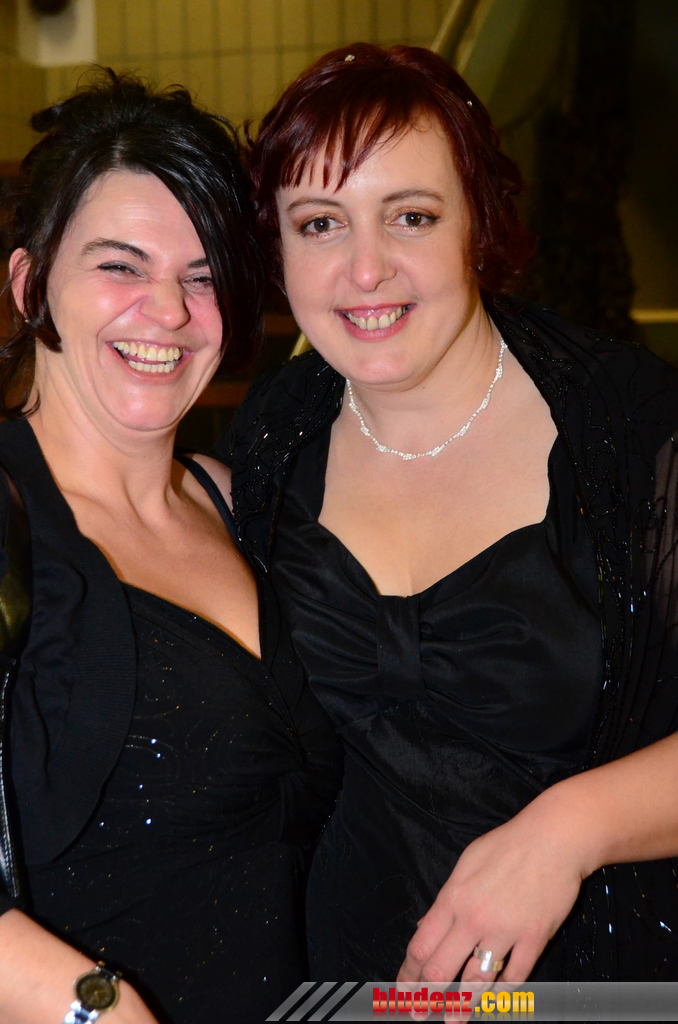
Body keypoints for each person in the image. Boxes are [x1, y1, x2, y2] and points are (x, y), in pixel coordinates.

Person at [216, 43, 678, 982]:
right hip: (349, 987)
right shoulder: (273, 436)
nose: (365, 269)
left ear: (478, 225)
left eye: (411, 216)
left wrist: (569, 830)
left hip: (600, 982)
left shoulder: (636, 432)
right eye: (319, 224)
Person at [0, 70, 340, 1024]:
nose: (169, 310)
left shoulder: (240, 503)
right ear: (30, 285)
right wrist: (94, 1009)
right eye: (121, 266)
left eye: (201, 276)